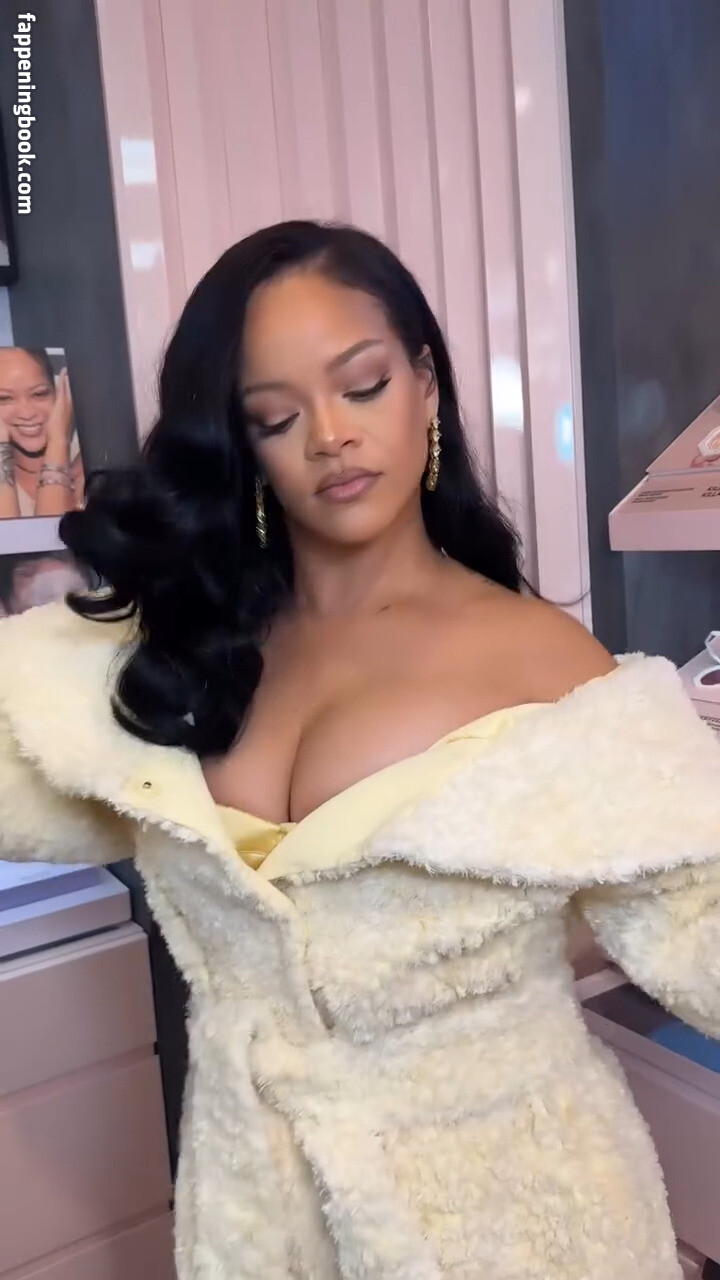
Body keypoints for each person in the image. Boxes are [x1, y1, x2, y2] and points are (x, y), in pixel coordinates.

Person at [0, 220, 718, 1280]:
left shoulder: (545, 664)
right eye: (277, 416)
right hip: (256, 1214)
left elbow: (700, 926)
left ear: (424, 385)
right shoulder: (180, 650)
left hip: (519, 1221)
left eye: (364, 385)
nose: (331, 435)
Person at [0, 346, 85, 518]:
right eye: (4, 398)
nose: (27, 413)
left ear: (58, 392)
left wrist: (59, 440)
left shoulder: (93, 464)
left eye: (39, 394)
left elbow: (54, 533)